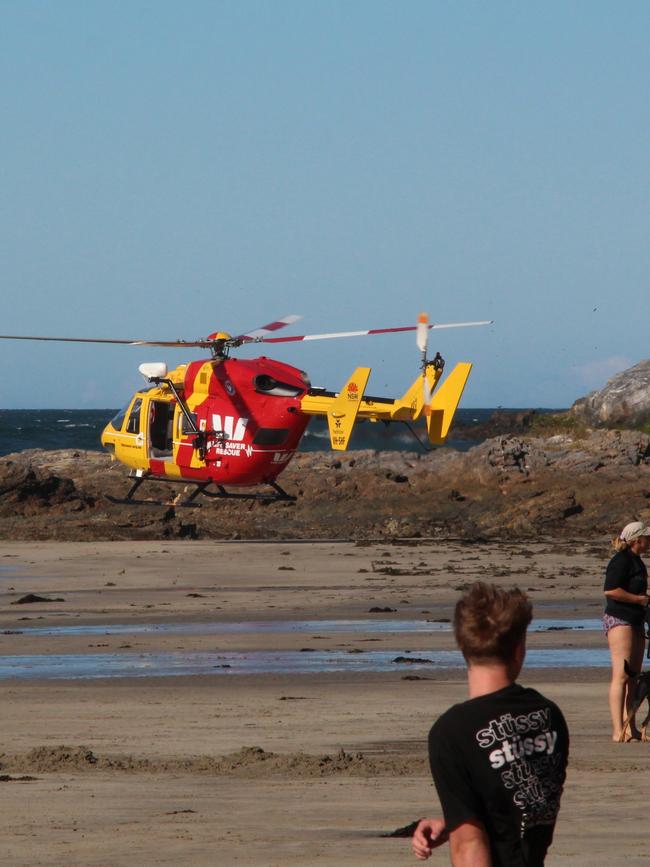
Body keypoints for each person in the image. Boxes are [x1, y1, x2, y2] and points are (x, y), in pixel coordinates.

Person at [412, 581, 568, 866]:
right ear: (519, 648)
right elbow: (513, 802)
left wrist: (462, 826)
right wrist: (456, 819)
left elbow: (470, 846)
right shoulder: (550, 717)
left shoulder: (452, 732)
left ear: (462, 645)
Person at [603, 520, 650, 741]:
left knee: (634, 676)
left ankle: (630, 727)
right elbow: (610, 590)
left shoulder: (638, 562)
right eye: (647, 538)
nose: (649, 541)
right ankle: (616, 729)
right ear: (636, 540)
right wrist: (639, 599)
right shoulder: (620, 561)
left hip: (637, 620)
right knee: (621, 675)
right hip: (619, 618)